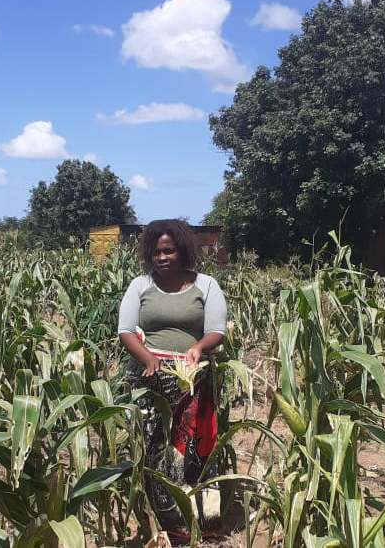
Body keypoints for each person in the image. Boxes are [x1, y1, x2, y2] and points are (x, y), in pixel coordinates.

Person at [118, 219, 227, 539]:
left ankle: (198, 522)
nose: (162, 257)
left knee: (191, 447)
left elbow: (216, 331)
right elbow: (125, 330)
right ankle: (161, 522)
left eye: (169, 251)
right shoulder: (140, 286)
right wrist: (148, 358)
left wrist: (198, 347)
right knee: (154, 447)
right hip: (151, 376)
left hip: (193, 377)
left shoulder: (206, 285)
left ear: (183, 252)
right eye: (156, 252)